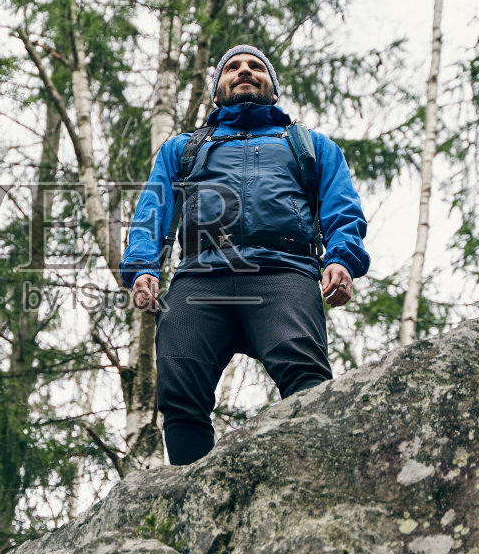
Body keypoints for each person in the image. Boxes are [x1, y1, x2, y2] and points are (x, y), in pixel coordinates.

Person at [120, 45, 370, 465]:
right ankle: (192, 494)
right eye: (232, 67)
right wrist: (143, 266)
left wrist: (341, 259)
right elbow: (153, 208)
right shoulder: (183, 148)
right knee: (179, 390)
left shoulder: (310, 145)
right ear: (217, 91)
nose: (245, 71)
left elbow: (342, 207)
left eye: (256, 66)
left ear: (273, 89)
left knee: (307, 381)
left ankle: (314, 483)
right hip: (200, 276)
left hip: (284, 272)